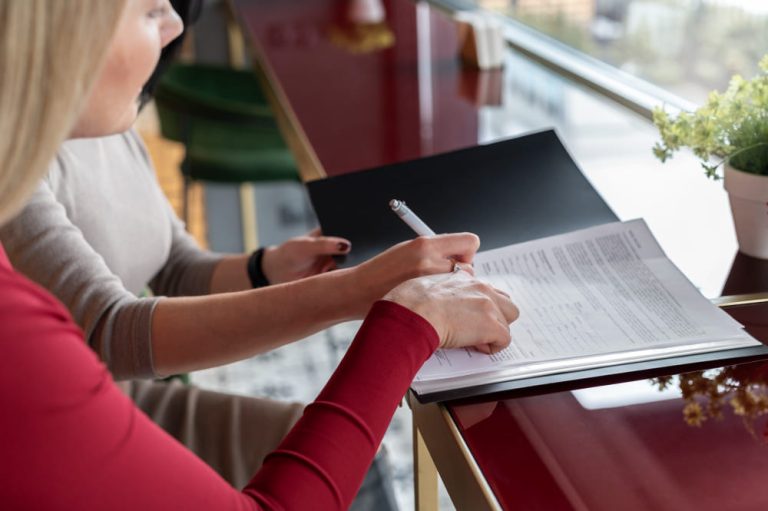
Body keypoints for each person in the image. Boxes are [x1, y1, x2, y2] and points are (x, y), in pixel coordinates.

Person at [0, 0, 519, 509]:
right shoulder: (17, 176)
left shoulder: (105, 122)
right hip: (91, 407)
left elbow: (175, 265)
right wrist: (371, 298)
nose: (176, 24)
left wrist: (266, 267)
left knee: (356, 462)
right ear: (67, 30)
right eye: (151, 10)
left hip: (103, 399)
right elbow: (111, 330)